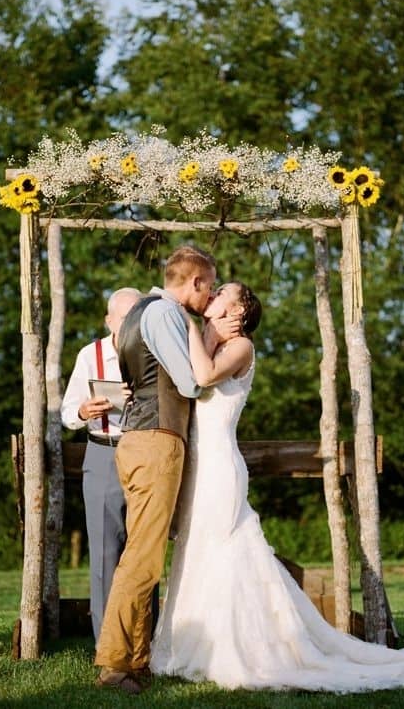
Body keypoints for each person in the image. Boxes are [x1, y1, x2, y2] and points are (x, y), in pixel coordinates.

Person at [150, 281, 404, 693]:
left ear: (238, 309)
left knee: (227, 549)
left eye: (224, 291)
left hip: (221, 467)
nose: (214, 293)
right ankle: (196, 645)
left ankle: (243, 650)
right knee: (196, 549)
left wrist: (185, 322)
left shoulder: (241, 347)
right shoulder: (211, 338)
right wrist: (201, 330)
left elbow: (202, 376)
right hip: (197, 467)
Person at [95, 246, 239, 694]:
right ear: (194, 282)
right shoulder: (166, 313)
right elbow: (191, 381)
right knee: (141, 555)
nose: (211, 294)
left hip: (144, 439)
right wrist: (207, 339)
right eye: (210, 286)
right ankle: (114, 663)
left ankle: (136, 660)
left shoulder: (141, 311)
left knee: (147, 552)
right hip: (156, 441)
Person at [61, 287, 142, 644]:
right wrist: (83, 411)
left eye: (135, 316)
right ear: (109, 320)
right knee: (106, 554)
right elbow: (67, 413)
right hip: (102, 453)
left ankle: (142, 641)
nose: (129, 324)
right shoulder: (89, 354)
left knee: (143, 552)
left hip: (144, 453)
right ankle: (106, 645)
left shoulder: (154, 351)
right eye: (123, 317)